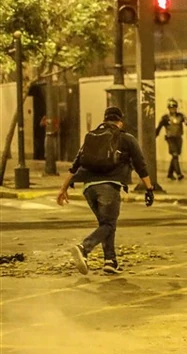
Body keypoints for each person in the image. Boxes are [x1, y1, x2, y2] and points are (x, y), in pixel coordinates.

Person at [56, 107, 154, 275]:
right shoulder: (126, 139)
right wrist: (149, 188)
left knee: (106, 224)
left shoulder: (91, 137)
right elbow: (141, 165)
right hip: (109, 187)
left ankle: (110, 261)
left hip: (88, 189)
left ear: (104, 119)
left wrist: (63, 189)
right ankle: (84, 248)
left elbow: (75, 166)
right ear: (120, 122)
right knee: (108, 224)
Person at [155, 98, 187, 181]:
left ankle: (170, 173)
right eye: (171, 108)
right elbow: (159, 127)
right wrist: (154, 135)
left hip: (178, 138)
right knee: (175, 155)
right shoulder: (165, 118)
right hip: (170, 138)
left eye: (174, 108)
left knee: (175, 156)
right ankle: (179, 174)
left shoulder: (180, 116)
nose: (173, 110)